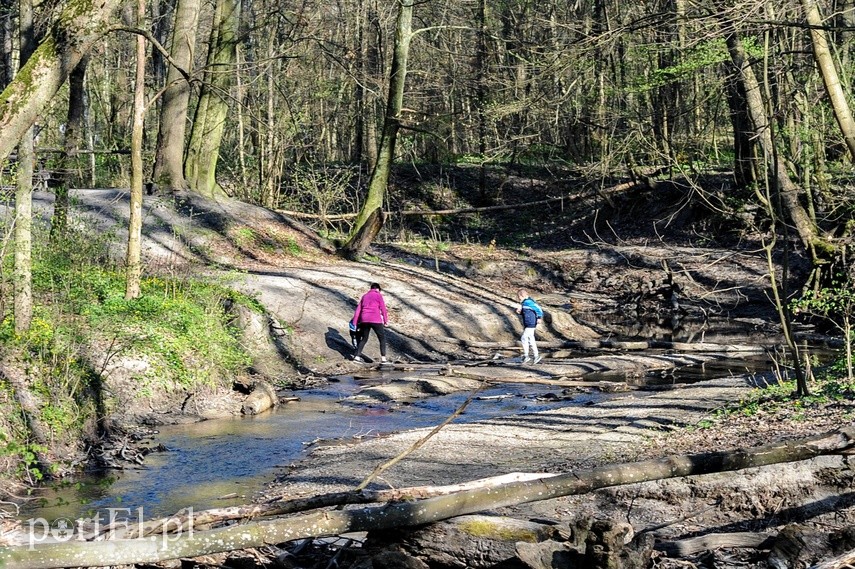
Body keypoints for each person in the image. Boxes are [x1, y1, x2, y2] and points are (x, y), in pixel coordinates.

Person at [351, 283, 389, 364]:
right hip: (376, 320)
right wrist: (385, 321)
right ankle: (383, 359)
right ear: (378, 289)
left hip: (364, 320)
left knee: (364, 338)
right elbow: (383, 309)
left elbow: (358, 310)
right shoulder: (378, 295)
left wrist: (355, 322)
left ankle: (357, 357)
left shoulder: (364, 296)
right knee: (382, 338)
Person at [516, 288, 543, 364]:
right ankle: (536, 355)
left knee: (524, 337)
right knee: (531, 339)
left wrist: (539, 317)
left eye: (519, 298)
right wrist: (520, 312)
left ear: (522, 296)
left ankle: (526, 356)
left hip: (531, 323)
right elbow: (527, 312)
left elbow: (539, 309)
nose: (518, 299)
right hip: (528, 323)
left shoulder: (529, 302)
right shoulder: (524, 303)